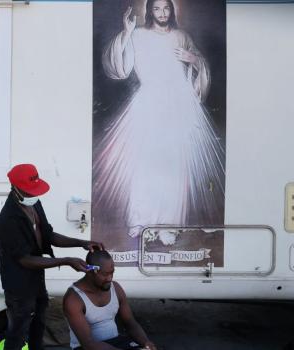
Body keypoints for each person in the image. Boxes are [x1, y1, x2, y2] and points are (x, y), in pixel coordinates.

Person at [94, 0, 225, 239]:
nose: (162, 13)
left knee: (174, 168)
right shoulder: (139, 35)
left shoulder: (181, 36)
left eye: (166, 8)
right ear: (149, 11)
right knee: (144, 165)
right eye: (157, 8)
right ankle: (141, 223)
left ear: (172, 11)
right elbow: (120, 68)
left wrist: (194, 60)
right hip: (149, 104)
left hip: (178, 106)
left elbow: (199, 66)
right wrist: (126, 31)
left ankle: (168, 226)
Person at [0, 163, 105, 350]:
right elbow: (25, 259)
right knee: (18, 334)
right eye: (29, 191)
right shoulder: (6, 221)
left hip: (36, 280)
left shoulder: (34, 203)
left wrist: (82, 242)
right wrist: (66, 261)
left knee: (38, 327)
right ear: (16, 189)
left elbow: (49, 236)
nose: (34, 195)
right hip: (18, 287)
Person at [63, 251, 157, 350]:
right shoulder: (73, 299)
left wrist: (146, 342)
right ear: (90, 271)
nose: (109, 278)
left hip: (116, 342)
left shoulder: (115, 288)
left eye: (112, 273)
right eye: (105, 274)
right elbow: (88, 343)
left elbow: (130, 322)